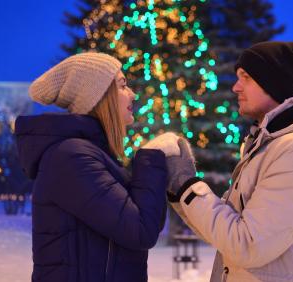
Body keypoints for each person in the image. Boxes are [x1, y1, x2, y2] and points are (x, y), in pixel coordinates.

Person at [165, 41, 293, 282]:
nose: (235, 87)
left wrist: (187, 187)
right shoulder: (267, 147)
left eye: (245, 77)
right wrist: (180, 192)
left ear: (272, 82)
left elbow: (248, 245)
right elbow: (225, 233)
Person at [15, 52, 180, 282]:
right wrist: (152, 158)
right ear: (98, 96)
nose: (132, 94)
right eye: (122, 86)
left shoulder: (90, 154)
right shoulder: (71, 158)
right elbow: (140, 230)